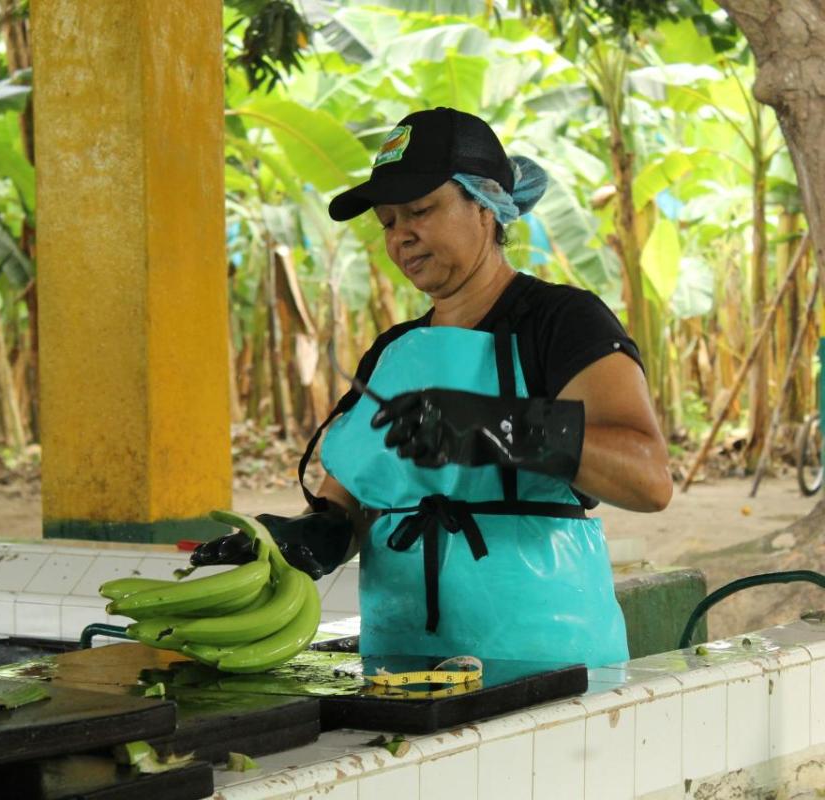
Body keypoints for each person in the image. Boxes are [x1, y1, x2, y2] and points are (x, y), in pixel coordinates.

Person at [193, 107, 672, 669]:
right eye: (389, 222)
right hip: (402, 661)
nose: (403, 236)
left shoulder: (561, 321)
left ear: (487, 206)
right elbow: (347, 505)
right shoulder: (393, 351)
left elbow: (649, 479)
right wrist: (308, 535)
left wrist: (496, 427)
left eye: (420, 210)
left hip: (544, 657)